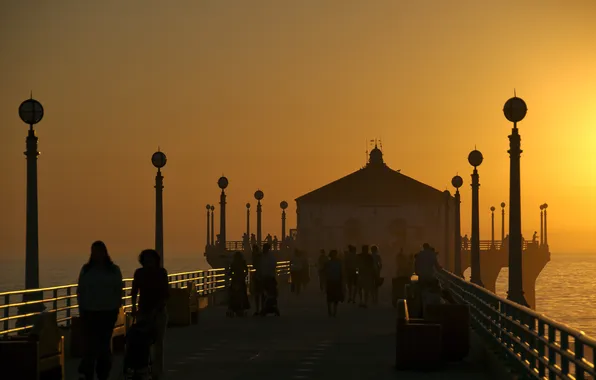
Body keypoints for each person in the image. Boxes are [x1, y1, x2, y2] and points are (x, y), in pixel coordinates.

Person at [76, 241, 123, 380]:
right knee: (90, 345)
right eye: (94, 251)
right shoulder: (86, 269)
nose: (96, 255)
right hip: (89, 312)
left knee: (103, 345)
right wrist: (81, 309)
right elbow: (81, 290)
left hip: (107, 312)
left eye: (99, 251)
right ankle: (88, 372)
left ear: (104, 252)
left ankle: (103, 373)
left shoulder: (114, 270)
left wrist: (115, 307)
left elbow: (118, 290)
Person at [130, 249, 170, 380]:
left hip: (159, 312)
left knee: (158, 342)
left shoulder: (161, 273)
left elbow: (165, 294)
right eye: (146, 261)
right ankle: (143, 368)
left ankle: (157, 372)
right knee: (143, 342)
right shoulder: (139, 273)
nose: (148, 263)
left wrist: (157, 309)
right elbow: (134, 291)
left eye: (151, 260)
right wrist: (134, 307)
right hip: (143, 311)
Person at [259, 243, 280, 316]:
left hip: (269, 277)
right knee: (265, 294)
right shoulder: (267, 257)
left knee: (270, 294)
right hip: (266, 277)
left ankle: (270, 308)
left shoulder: (267, 257)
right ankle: (265, 308)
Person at [227, 251, 250, 316]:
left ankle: (233, 307)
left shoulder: (233, 263)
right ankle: (242, 307)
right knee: (242, 294)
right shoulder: (242, 262)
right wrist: (244, 275)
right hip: (240, 280)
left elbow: (231, 271)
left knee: (233, 294)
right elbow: (246, 270)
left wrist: (232, 275)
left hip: (235, 280)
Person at [324, 250, 344, 316]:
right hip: (330, 280)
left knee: (335, 297)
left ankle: (334, 311)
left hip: (336, 280)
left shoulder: (339, 262)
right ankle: (330, 310)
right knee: (330, 297)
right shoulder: (328, 263)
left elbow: (341, 272)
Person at [250, 244, 263, 315]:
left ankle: (258, 309)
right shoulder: (260, 256)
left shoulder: (257, 257)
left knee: (257, 294)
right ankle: (260, 308)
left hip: (259, 276)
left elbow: (254, 265)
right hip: (261, 276)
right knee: (260, 293)